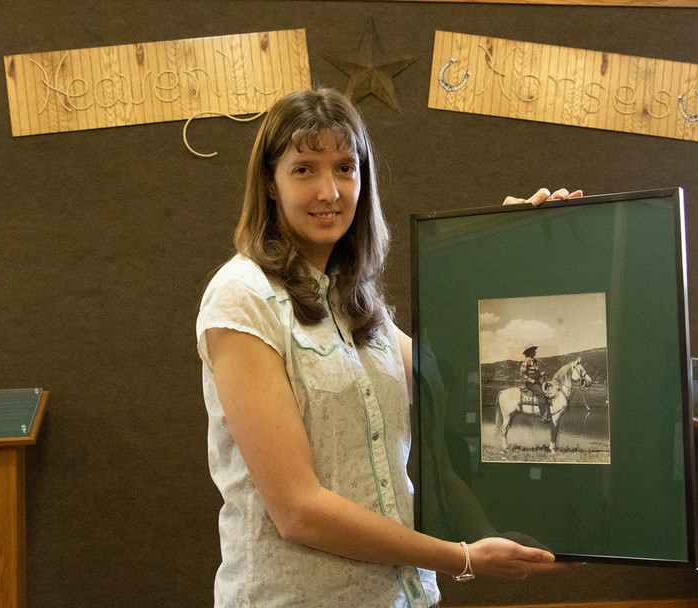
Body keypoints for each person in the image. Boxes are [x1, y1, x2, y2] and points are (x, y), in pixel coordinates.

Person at [196, 87, 582, 608]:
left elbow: (458, 374)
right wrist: (461, 557)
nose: (329, 191)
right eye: (305, 169)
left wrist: (515, 248)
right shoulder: (241, 299)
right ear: (270, 181)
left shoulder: (356, 301)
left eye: (344, 167)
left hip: (399, 598)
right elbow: (298, 510)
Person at [519, 345, 553, 422]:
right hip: (530, 383)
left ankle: (548, 413)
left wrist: (543, 374)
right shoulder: (527, 361)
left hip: (537, 382)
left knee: (547, 392)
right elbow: (522, 374)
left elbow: (537, 374)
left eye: (534, 350)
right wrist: (531, 380)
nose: (535, 352)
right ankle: (543, 415)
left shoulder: (535, 361)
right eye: (533, 350)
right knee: (541, 394)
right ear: (529, 352)